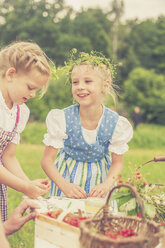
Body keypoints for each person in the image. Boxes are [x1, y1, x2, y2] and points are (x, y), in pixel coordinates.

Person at [41, 50, 133, 199]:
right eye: (75, 82)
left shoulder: (115, 123)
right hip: (67, 177)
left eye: (88, 81)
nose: (80, 86)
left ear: (105, 85)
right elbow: (46, 161)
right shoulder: (63, 118)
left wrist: (107, 184)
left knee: (96, 219)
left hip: (99, 180)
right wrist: (64, 186)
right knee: (65, 219)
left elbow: (117, 162)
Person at [0, 41, 51, 222]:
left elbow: (8, 157)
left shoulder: (21, 111)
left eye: (36, 90)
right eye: (30, 87)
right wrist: (23, 187)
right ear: (11, 74)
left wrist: (29, 185)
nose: (33, 94)